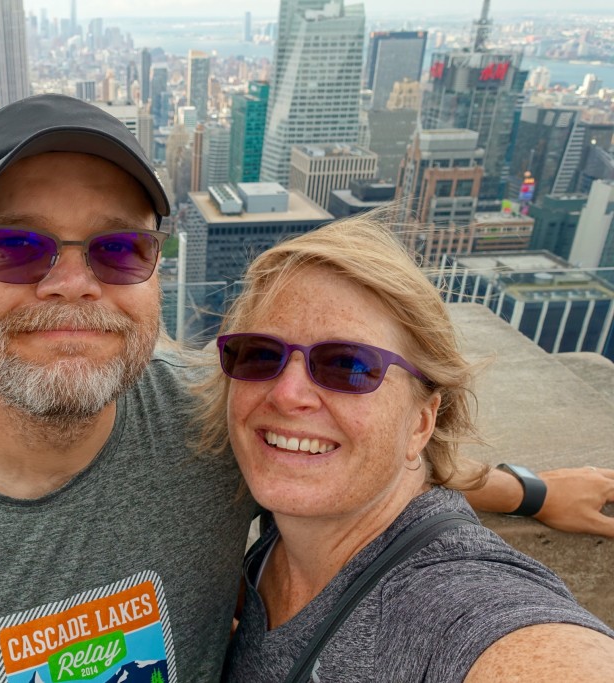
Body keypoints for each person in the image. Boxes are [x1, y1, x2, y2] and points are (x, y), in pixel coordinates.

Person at [0, 94, 614, 683]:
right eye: (18, 248)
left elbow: (366, 462)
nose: (72, 285)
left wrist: (534, 491)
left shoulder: (216, 422)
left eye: (118, 250)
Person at [201, 217, 614, 681]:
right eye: (259, 354)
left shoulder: (446, 602)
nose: (286, 393)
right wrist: (532, 493)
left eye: (348, 366)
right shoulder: (284, 539)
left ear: (421, 422)